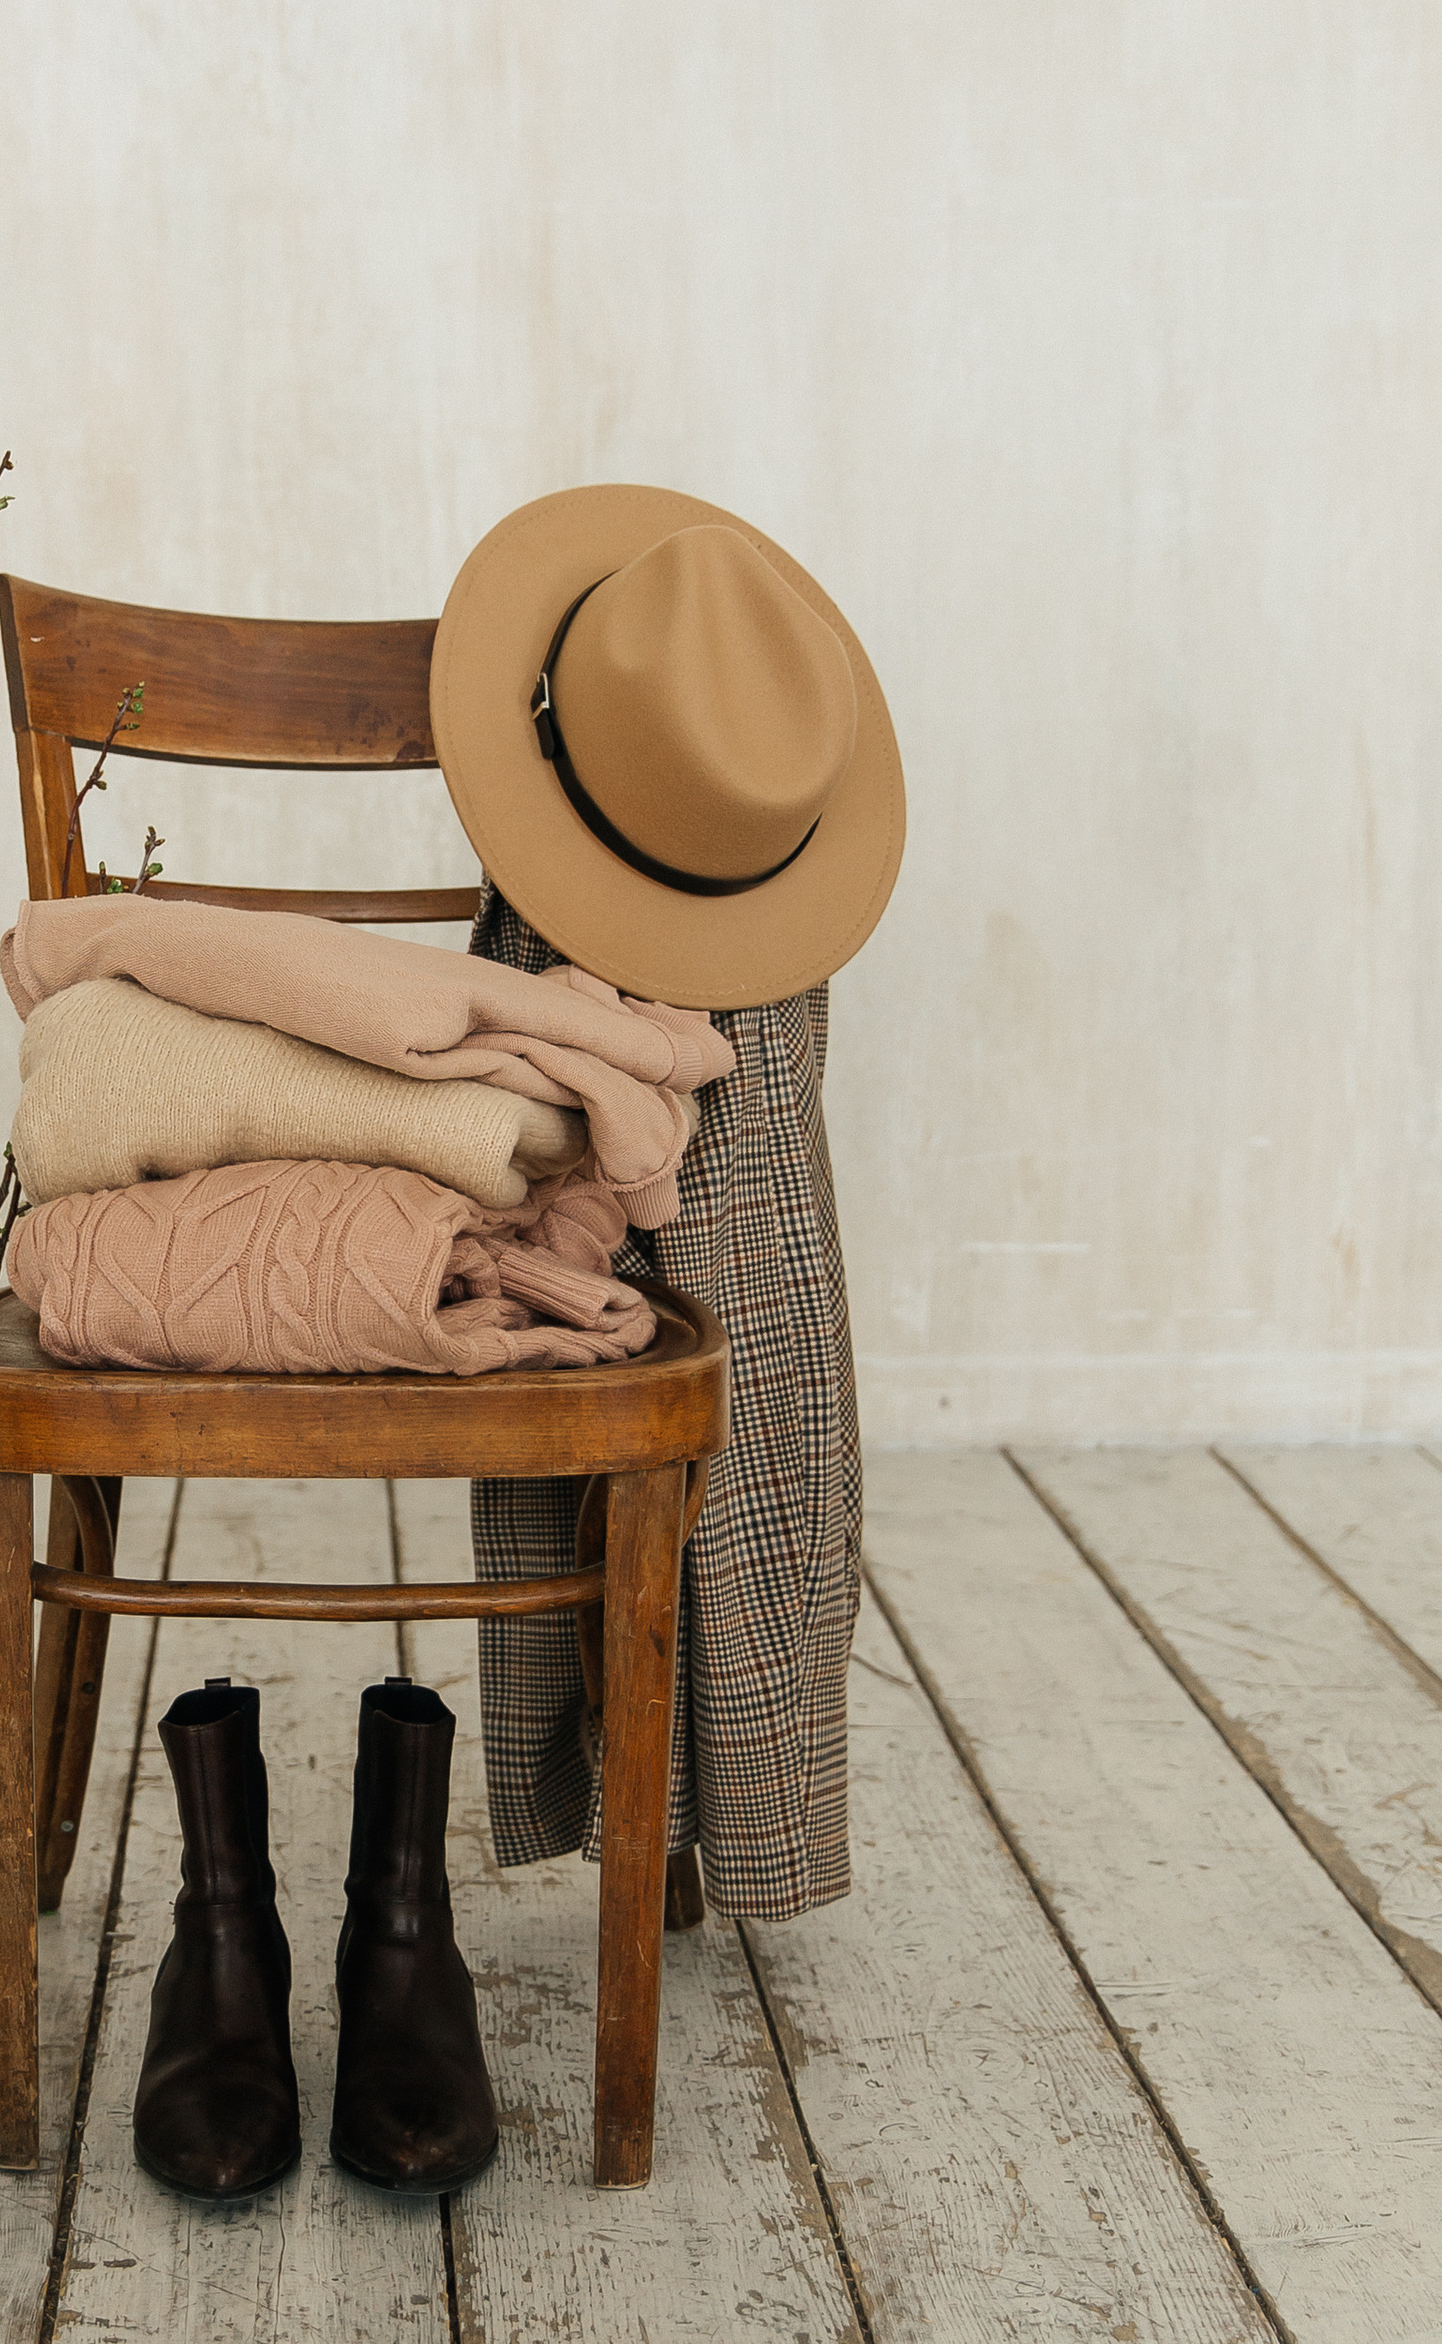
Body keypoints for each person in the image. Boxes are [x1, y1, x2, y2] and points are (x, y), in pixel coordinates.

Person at [131, 487, 906, 2204]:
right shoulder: (564, 1017)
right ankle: (228, 1912)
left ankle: (389, 1919)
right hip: (227, 1189)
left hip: (501, 1187)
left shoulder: (645, 1044)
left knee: (549, 1236)